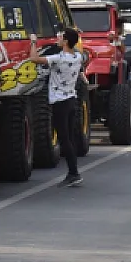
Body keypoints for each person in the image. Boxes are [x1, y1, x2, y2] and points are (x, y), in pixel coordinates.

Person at [28, 29, 84, 187]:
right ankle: (74, 172)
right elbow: (80, 52)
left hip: (60, 102)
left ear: (66, 41)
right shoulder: (78, 57)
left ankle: (74, 173)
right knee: (70, 138)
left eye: (61, 38)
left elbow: (33, 58)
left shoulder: (58, 58)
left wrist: (33, 41)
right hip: (72, 100)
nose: (58, 40)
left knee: (64, 139)